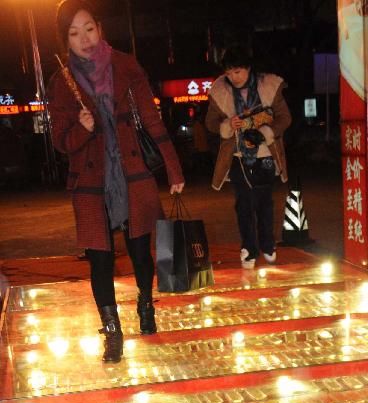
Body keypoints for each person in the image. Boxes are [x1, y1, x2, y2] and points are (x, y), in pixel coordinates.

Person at [47, 0, 185, 363]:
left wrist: (174, 170)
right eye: (74, 33)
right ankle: (112, 332)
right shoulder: (60, 83)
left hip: (132, 175)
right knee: (100, 260)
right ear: (66, 40)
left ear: (99, 28)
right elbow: (60, 141)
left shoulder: (125, 65)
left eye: (89, 28)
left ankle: (145, 304)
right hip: (91, 185)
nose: (84, 38)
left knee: (141, 253)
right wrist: (82, 129)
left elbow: (153, 121)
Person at [206, 46, 291, 270]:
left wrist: (266, 132)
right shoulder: (219, 91)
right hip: (237, 156)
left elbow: (285, 118)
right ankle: (249, 249)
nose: (233, 78)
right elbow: (210, 122)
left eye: (238, 72)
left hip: (264, 155)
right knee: (243, 203)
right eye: (228, 73)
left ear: (248, 69)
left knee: (264, 201)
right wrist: (226, 125)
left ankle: (268, 244)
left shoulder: (269, 85)